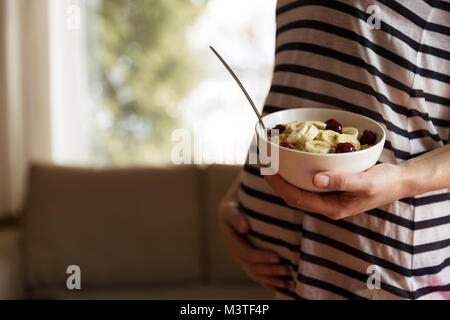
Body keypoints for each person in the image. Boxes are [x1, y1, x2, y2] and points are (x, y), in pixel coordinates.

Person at [219, 0, 450, 300]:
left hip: (381, 269)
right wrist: (237, 195)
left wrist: (402, 179)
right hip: (284, 275)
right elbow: (296, 86)